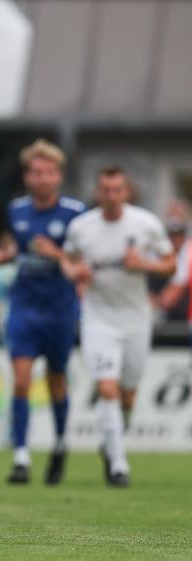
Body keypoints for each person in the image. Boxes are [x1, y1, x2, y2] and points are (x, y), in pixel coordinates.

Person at [60, 166, 175, 487]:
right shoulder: (81, 227)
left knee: (128, 396)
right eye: (105, 190)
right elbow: (67, 261)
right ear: (98, 192)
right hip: (98, 318)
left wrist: (145, 264)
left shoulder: (146, 224)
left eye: (117, 190)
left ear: (126, 193)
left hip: (136, 318)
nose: (111, 196)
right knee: (107, 388)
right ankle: (119, 464)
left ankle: (111, 442)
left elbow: (171, 264)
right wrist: (74, 273)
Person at [0, 139, 84, 485]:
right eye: (35, 172)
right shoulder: (17, 210)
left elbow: (81, 265)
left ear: (58, 176)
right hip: (25, 307)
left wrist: (55, 255)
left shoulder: (75, 213)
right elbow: (17, 246)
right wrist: (8, 253)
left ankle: (60, 444)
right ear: (27, 177)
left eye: (48, 172)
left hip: (60, 309)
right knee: (20, 379)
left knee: (57, 379)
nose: (42, 178)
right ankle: (21, 457)